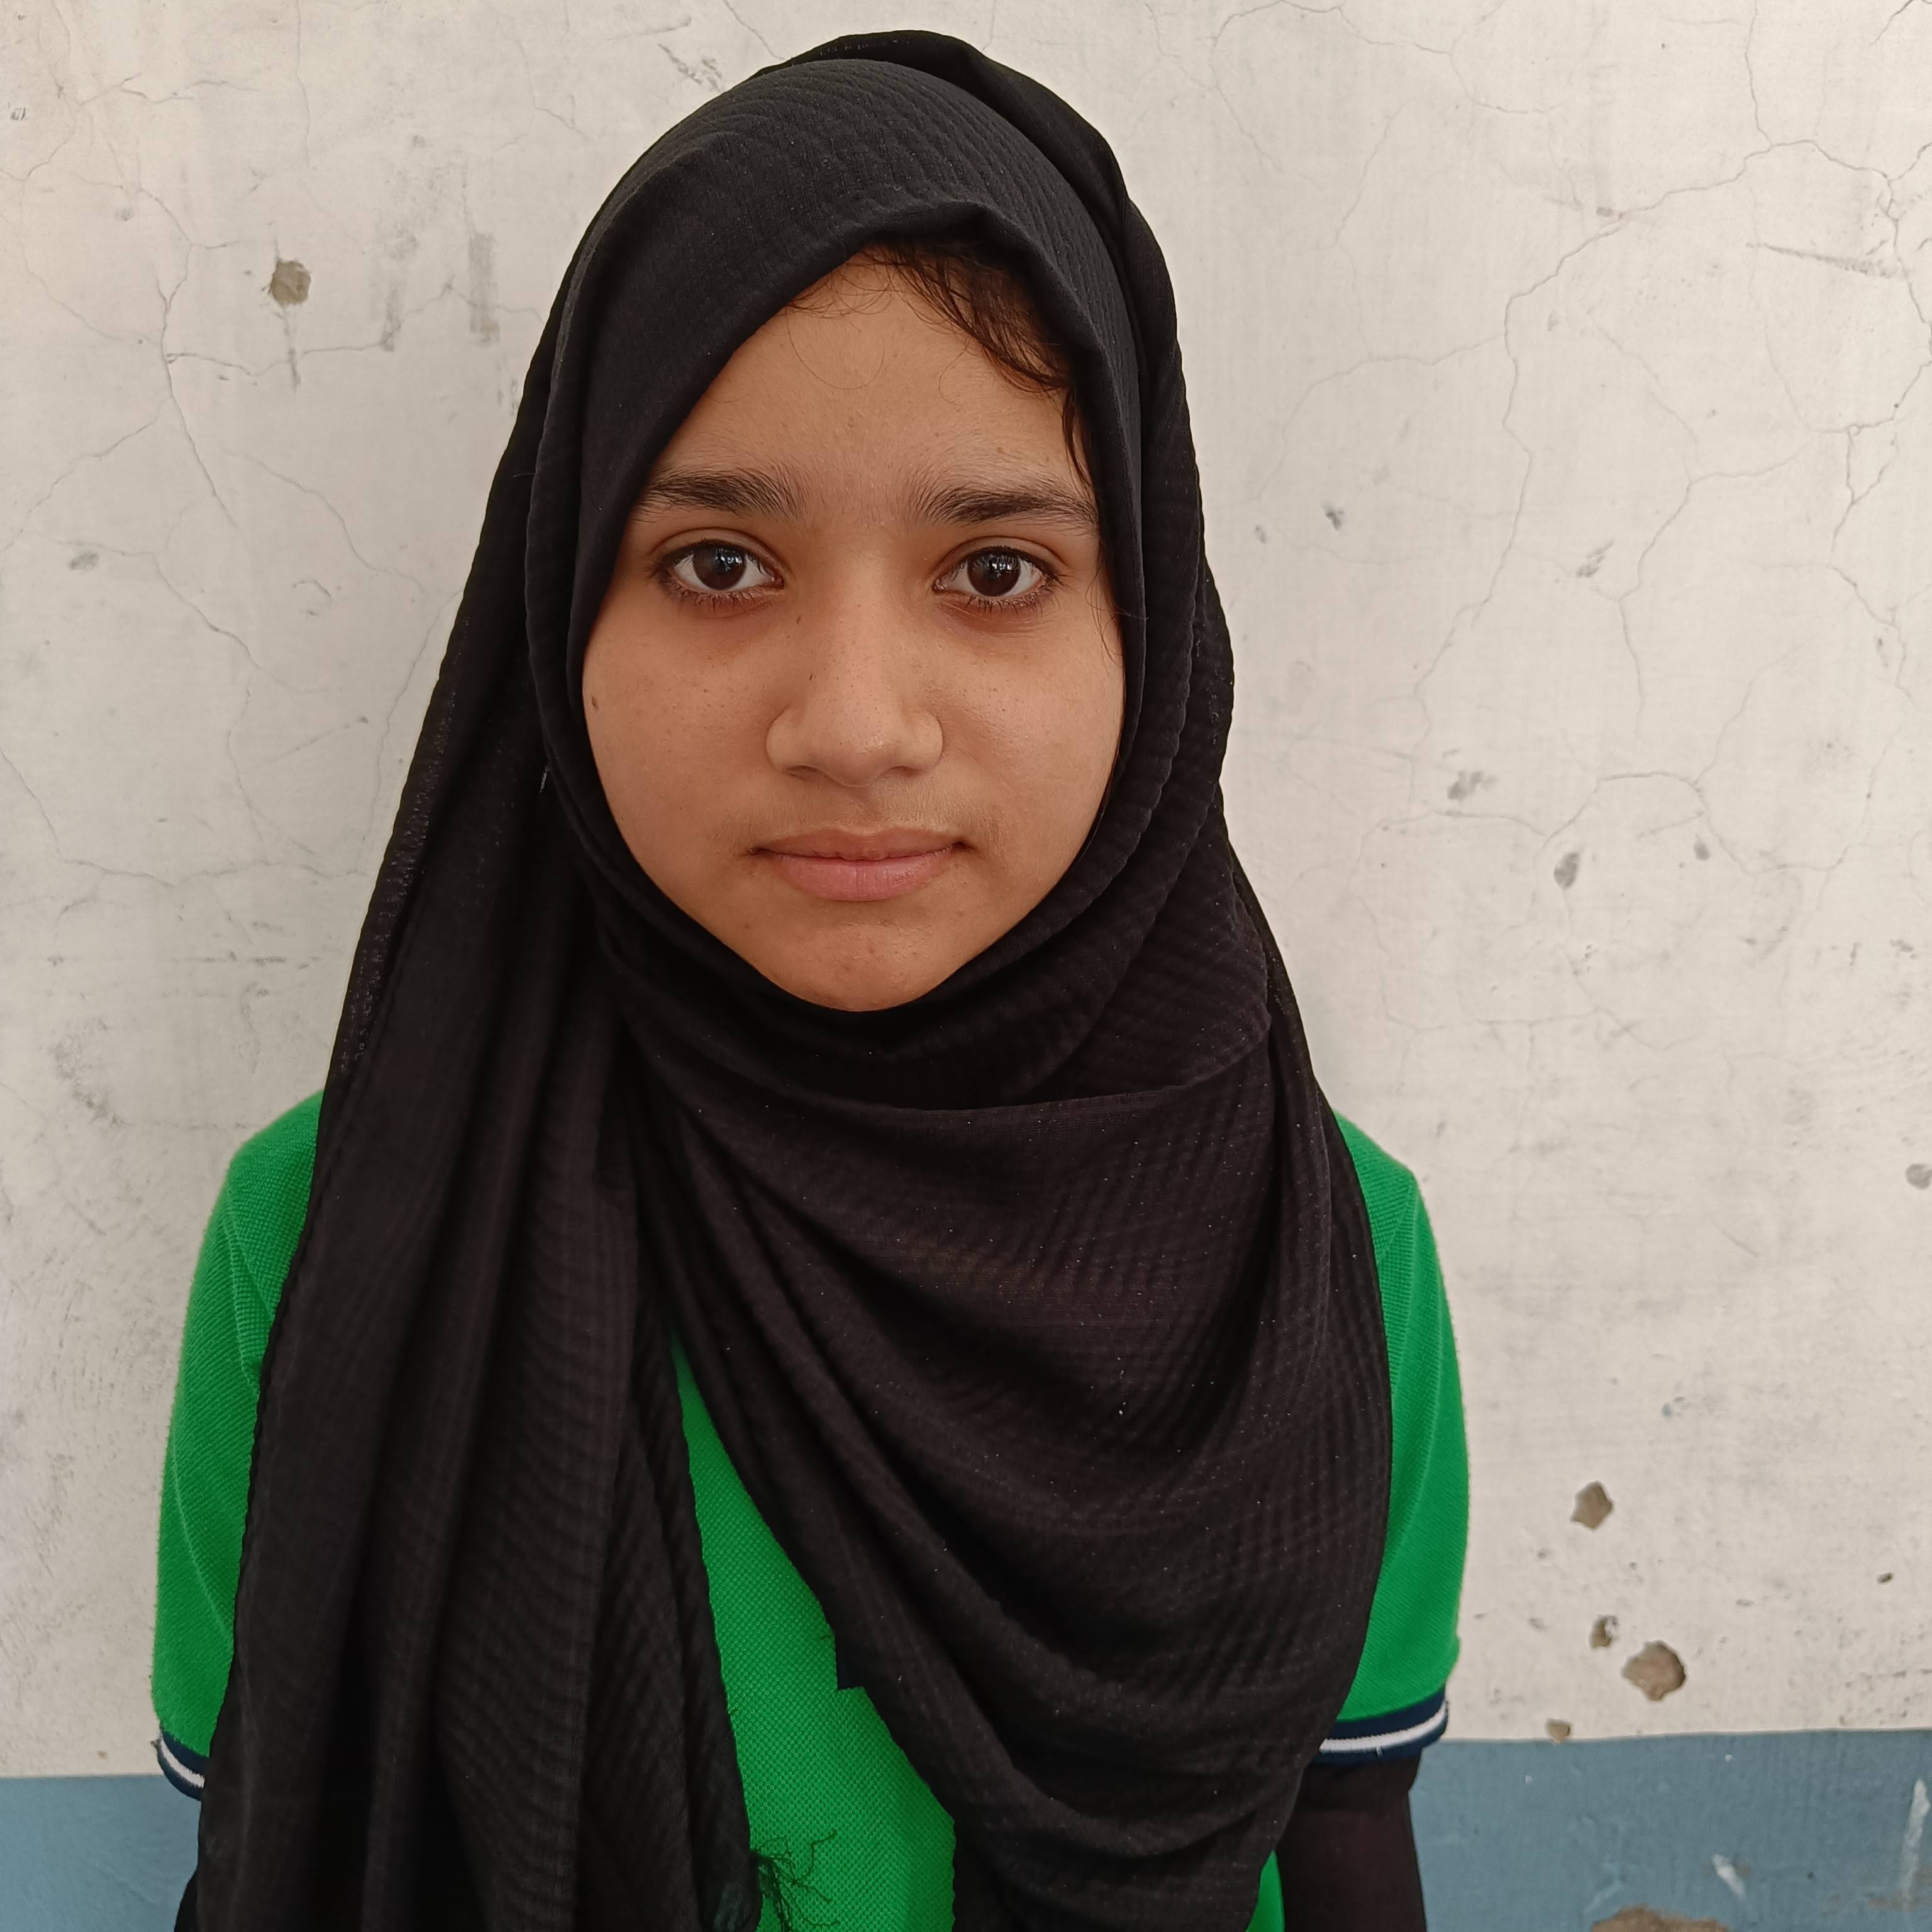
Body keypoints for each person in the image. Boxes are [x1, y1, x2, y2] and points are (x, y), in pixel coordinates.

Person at [149, 31, 1467, 1932]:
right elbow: (272, 1850)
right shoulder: (342, 1240)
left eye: (996, 571)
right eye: (715, 563)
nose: (853, 726)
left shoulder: (1318, 1248)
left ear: (1153, 625)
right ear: (558, 610)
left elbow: (1344, 1839)